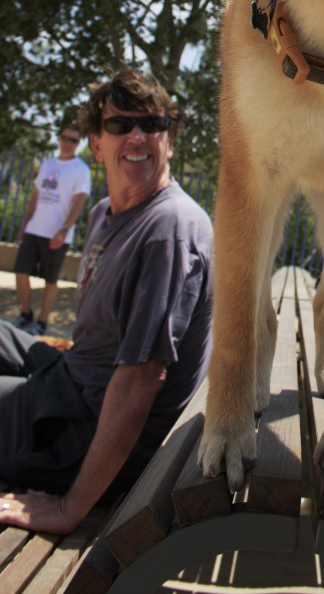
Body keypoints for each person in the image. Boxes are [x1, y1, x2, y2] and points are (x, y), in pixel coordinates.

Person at [0, 67, 213, 535]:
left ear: (169, 141)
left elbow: (141, 380)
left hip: (84, 430)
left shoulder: (169, 230)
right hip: (75, 381)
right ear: (96, 145)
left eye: (152, 124)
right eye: (120, 125)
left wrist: (69, 508)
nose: (137, 134)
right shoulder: (103, 214)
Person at [13, 122, 91, 336]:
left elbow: (79, 201)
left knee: (50, 279)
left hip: (57, 234)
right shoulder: (48, 164)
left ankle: (42, 321)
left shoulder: (80, 170)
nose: (68, 143)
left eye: (73, 140)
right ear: (59, 139)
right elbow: (36, 195)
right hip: (34, 228)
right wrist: (26, 222)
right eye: (65, 138)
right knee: (21, 272)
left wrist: (64, 230)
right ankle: (25, 313)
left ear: (78, 144)